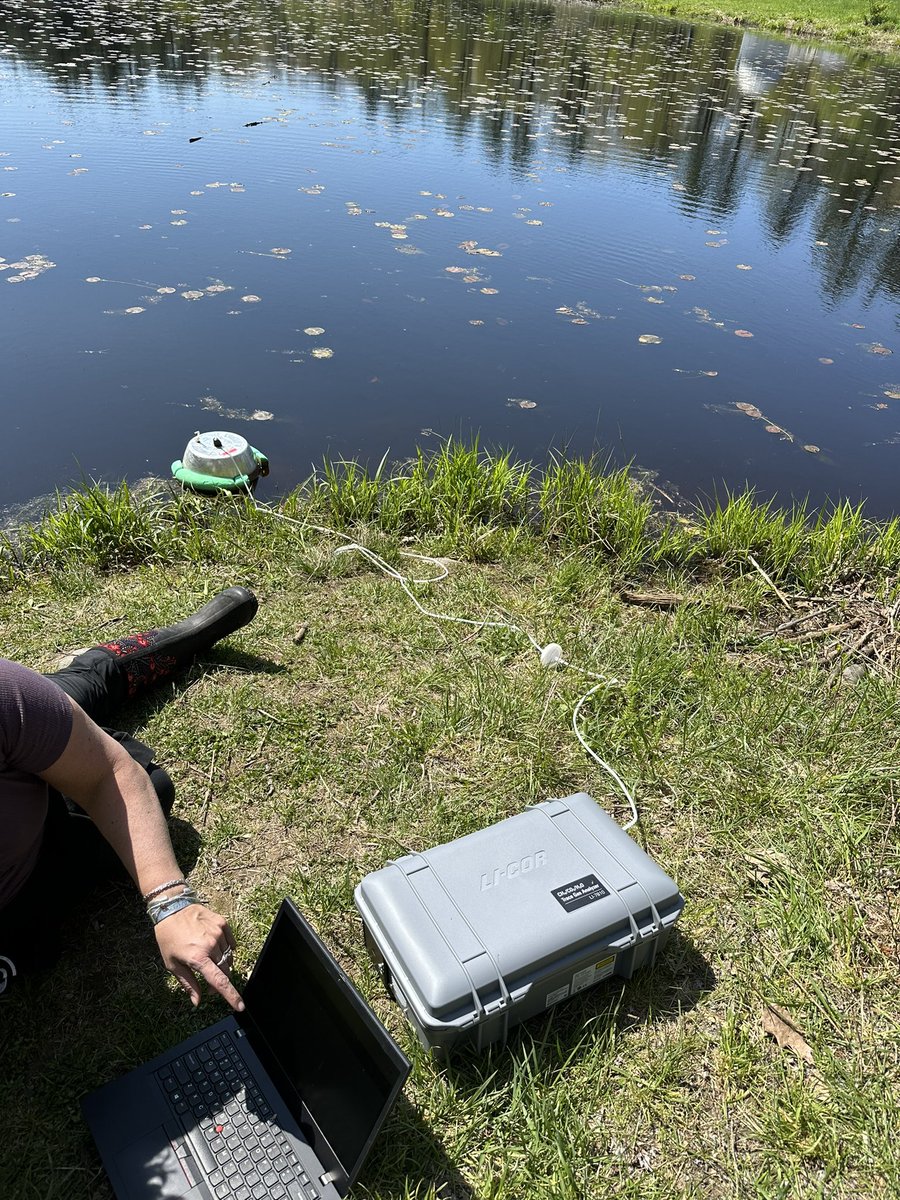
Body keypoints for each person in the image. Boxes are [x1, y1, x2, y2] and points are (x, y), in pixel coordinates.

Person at [0, 586, 258, 1010]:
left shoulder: (6, 697)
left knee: (83, 699)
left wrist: (170, 901)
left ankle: (179, 639)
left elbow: (109, 774)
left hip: (34, 778)